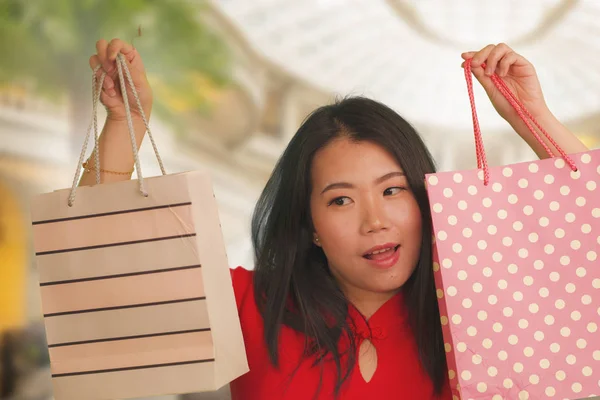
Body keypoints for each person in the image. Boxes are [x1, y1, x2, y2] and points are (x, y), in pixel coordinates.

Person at [84, 40, 588, 399]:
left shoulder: (480, 313)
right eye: (340, 200)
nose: (374, 221)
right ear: (311, 228)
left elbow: (590, 246)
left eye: (392, 190)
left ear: (424, 201)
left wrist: (532, 118)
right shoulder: (251, 307)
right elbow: (105, 275)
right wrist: (123, 126)